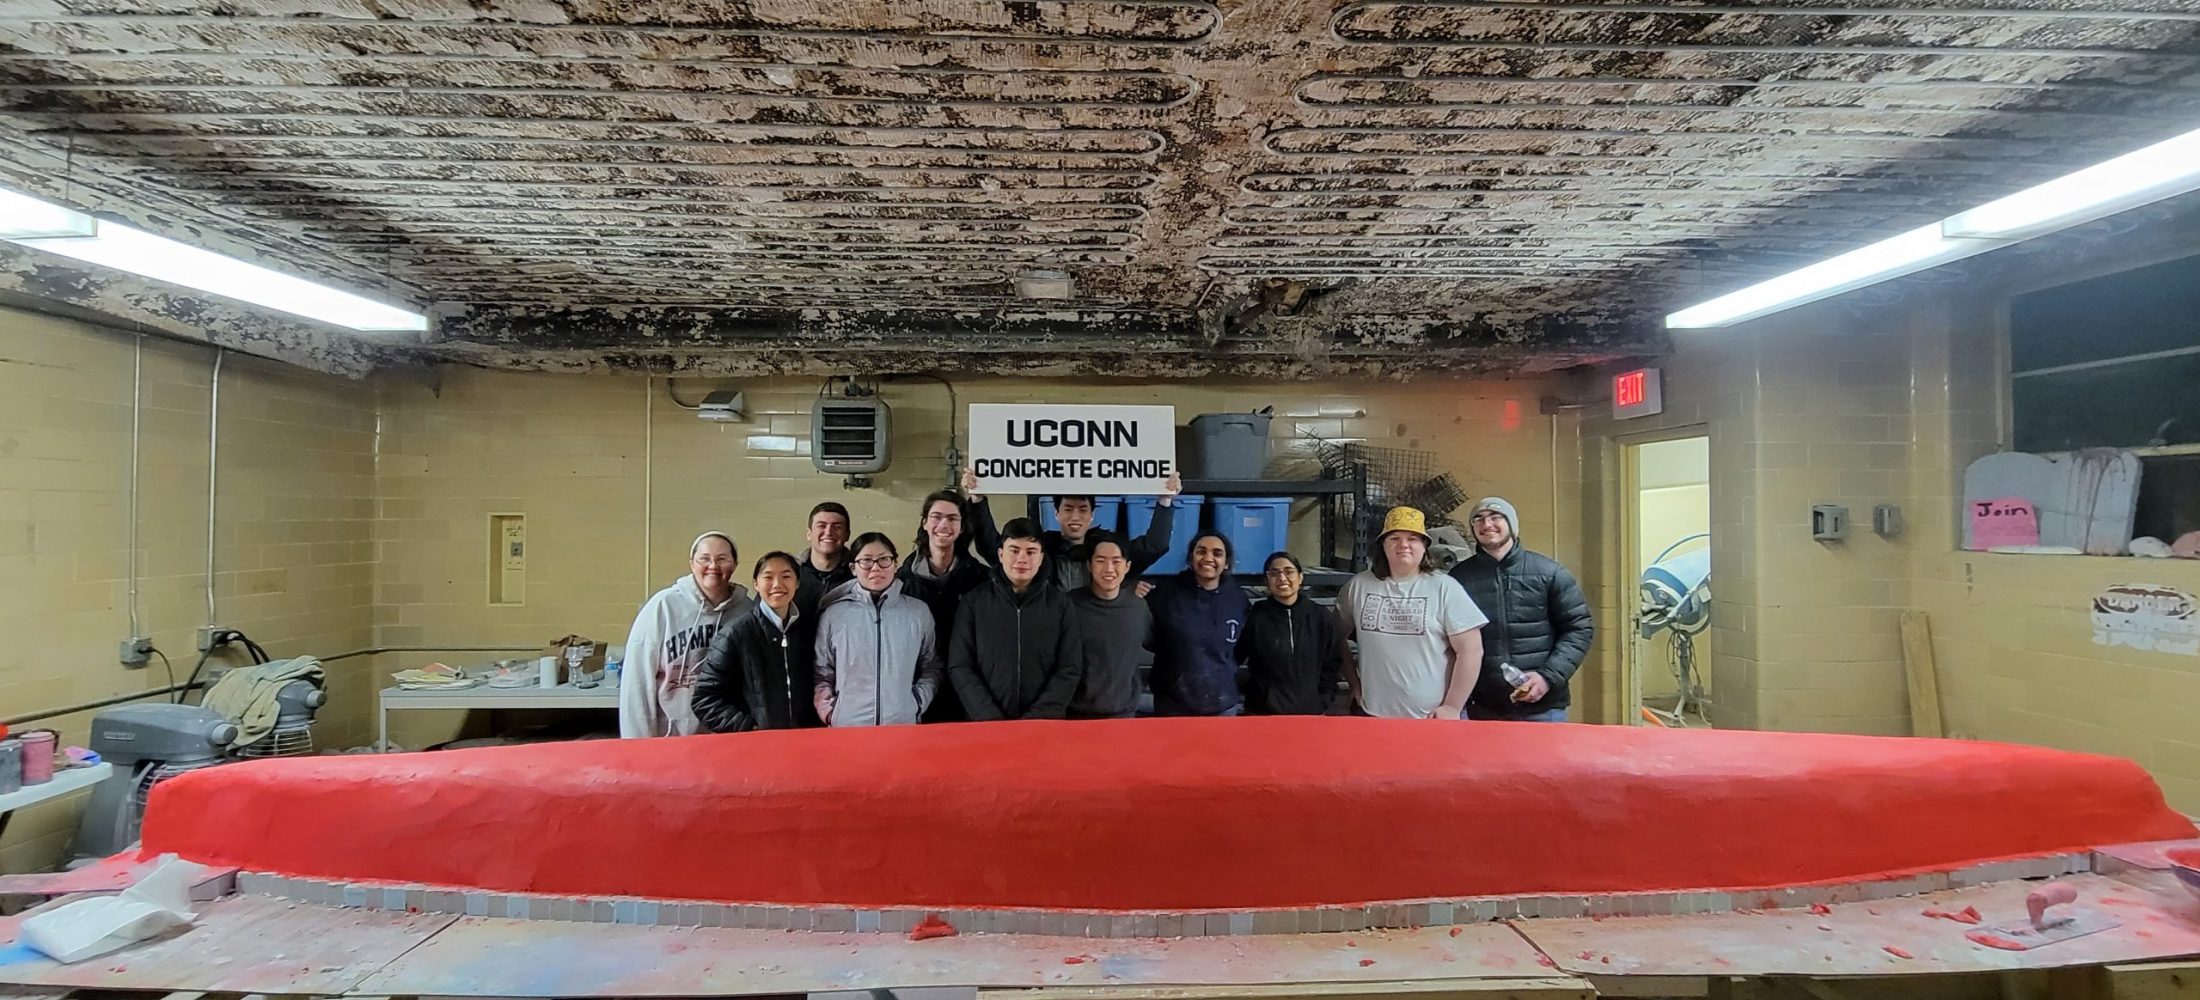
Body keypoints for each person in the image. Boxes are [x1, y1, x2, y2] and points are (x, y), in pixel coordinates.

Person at [1450, 497, 1595, 722]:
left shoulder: (1550, 572)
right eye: (1478, 519)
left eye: (1495, 517)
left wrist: (1548, 677)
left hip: (1544, 709)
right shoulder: (1458, 579)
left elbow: (1579, 629)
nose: (1486, 524)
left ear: (1512, 525)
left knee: (1545, 759)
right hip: (1482, 708)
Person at [1337, 507, 1488, 720]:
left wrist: (1452, 707)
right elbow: (1335, 638)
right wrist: (1354, 682)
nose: (1403, 545)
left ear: (1424, 546)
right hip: (1372, 714)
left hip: (1432, 719)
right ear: (1383, 545)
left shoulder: (1445, 588)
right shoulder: (1359, 586)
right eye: (1394, 538)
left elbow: (1471, 651)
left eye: (1413, 538)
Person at [620, 531, 753, 738]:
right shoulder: (662, 607)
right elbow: (637, 683)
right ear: (692, 563)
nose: (713, 566)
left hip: (727, 736)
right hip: (671, 739)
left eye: (722, 559)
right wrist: (637, 744)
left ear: (735, 564)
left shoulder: (746, 611)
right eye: (705, 558)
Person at [949, 517, 1084, 721]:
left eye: (1031, 552)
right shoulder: (973, 602)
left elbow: (1069, 667)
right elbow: (960, 665)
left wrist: (1037, 718)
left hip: (1044, 726)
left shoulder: (1061, 605)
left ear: (1041, 558)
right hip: (985, 726)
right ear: (1001, 554)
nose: (1022, 559)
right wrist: (988, 717)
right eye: (1014, 550)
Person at [961, 469, 1184, 590]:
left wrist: (1165, 500)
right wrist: (977, 498)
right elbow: (991, 546)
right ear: (1056, 513)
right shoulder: (1040, 547)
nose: (1075, 516)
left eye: (1083, 509)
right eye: (1068, 508)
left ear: (1092, 514)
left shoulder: (1109, 549)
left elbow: (1155, 545)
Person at [813, 533, 942, 727]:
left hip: (902, 726)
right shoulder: (834, 614)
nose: (876, 568)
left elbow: (931, 666)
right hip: (847, 728)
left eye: (884, 560)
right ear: (853, 568)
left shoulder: (918, 612)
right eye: (866, 561)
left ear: (895, 564)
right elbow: (822, 672)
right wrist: (831, 712)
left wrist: (916, 703)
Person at [693, 551, 820, 732]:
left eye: (786, 576)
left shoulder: (808, 631)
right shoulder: (735, 634)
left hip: (803, 743)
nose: (777, 584)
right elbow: (704, 699)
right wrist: (747, 727)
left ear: (797, 583)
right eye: (768, 577)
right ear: (756, 584)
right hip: (754, 746)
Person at [899, 489, 993, 721]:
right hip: (916, 691)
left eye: (952, 518)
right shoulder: (900, 582)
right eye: (937, 517)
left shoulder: (981, 579)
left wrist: (979, 501)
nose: (944, 524)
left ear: (962, 528)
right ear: (924, 523)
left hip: (968, 693)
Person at [1147, 532, 1251, 717]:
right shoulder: (1166, 593)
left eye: (1217, 553)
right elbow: (1149, 637)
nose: (1208, 558)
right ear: (1190, 558)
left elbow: (1242, 647)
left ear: (1226, 563)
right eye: (1201, 551)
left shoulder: (1238, 598)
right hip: (1172, 704)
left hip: (1222, 705)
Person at [1239, 551, 1345, 716]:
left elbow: (1332, 664)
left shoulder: (1320, 617)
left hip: (1310, 713)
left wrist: (1322, 701)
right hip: (1262, 713)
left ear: (1300, 578)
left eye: (1289, 572)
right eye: (1274, 573)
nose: (1282, 578)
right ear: (1267, 581)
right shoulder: (1255, 617)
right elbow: (1235, 656)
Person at [1067, 533, 1153, 719]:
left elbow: (1152, 643)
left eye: (1116, 561)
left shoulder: (1138, 607)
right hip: (1076, 715)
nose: (1109, 568)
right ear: (1089, 565)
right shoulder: (1069, 605)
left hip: (1124, 715)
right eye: (1100, 561)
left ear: (1127, 566)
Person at [792, 501, 854, 621]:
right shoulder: (788, 572)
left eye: (837, 527)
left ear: (847, 535)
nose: (828, 532)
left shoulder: (860, 575)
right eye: (821, 526)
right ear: (809, 534)